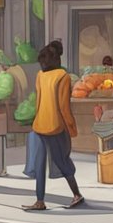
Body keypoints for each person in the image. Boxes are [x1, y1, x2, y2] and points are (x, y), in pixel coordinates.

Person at [23, 44, 84, 210]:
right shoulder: (63, 76)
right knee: (62, 161)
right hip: (56, 126)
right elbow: (64, 107)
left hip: (39, 125)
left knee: (40, 163)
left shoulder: (40, 75)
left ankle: (40, 201)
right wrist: (71, 128)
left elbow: (38, 101)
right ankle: (76, 194)